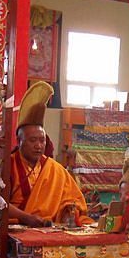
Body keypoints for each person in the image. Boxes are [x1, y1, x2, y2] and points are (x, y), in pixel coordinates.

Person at [9, 81, 92, 227]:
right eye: (32, 140)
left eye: (42, 140)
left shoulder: (54, 168)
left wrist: (68, 212)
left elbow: (72, 200)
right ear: (19, 141)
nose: (38, 145)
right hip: (16, 227)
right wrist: (26, 218)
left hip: (49, 227)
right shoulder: (8, 165)